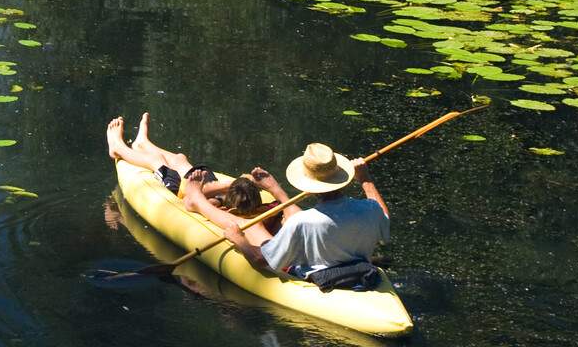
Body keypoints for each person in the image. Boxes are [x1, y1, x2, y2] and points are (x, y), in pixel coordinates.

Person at [181, 140, 390, 282]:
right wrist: (365, 178)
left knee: (250, 226)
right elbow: (383, 215)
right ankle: (277, 191)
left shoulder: (302, 222)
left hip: (319, 276)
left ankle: (198, 202)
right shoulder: (370, 209)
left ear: (308, 184)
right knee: (284, 218)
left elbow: (262, 260)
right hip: (359, 269)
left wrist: (239, 239)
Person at [106, 115, 280, 242]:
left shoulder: (219, 207)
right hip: (208, 183)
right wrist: (238, 183)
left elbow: (194, 196)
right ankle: (142, 143)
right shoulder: (253, 203)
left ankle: (117, 147)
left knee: (157, 162)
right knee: (180, 158)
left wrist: (226, 185)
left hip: (180, 189)